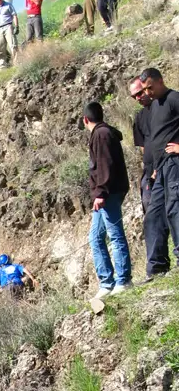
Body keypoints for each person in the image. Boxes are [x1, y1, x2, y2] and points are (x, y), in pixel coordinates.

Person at [82, 101, 132, 301]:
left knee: (115, 235)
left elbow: (105, 166)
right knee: (95, 238)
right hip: (105, 194)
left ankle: (123, 280)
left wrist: (101, 193)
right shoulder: (104, 133)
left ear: (86, 119)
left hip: (108, 193)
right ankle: (107, 283)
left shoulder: (101, 135)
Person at [139, 68, 179, 283]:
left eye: (150, 87)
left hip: (175, 164)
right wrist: (154, 167)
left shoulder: (174, 99)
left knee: (175, 209)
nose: (148, 92)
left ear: (160, 81)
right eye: (144, 89)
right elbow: (156, 138)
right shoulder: (154, 107)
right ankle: (156, 268)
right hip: (160, 168)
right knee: (154, 215)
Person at [130, 77, 154, 214]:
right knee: (150, 212)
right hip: (150, 172)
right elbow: (144, 148)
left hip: (170, 167)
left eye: (139, 93)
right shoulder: (139, 118)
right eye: (134, 97)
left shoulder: (167, 106)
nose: (138, 98)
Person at [0, 0, 19, 69]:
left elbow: (14, 15)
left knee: (13, 45)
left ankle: (16, 63)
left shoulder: (8, 5)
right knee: (0, 48)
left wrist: (16, 26)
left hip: (8, 26)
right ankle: (2, 66)